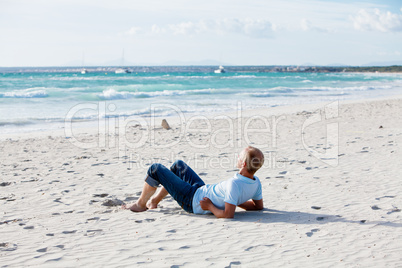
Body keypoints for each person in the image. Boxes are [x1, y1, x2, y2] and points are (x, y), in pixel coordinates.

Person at [122, 146, 264, 218]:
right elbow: (258, 207)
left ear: (244, 164)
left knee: (155, 169)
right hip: (201, 190)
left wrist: (210, 207)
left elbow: (228, 215)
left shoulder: (235, 184)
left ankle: (140, 205)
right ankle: (154, 201)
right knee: (178, 165)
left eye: (240, 156)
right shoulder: (256, 182)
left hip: (192, 201)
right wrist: (234, 200)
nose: (238, 156)